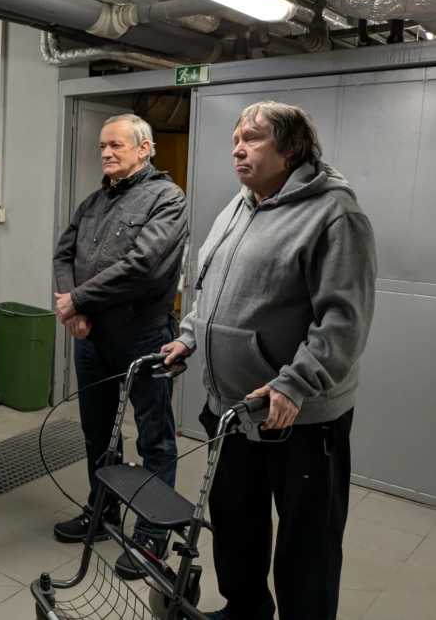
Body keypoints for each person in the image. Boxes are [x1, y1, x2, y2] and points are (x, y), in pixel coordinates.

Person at [161, 102, 376, 620]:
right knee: (236, 520)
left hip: (299, 418)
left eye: (253, 139)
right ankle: (246, 610)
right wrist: (189, 336)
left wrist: (295, 382)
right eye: (236, 139)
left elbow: (343, 321)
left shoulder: (335, 215)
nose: (238, 149)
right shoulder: (239, 206)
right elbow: (212, 287)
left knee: (307, 541)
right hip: (233, 410)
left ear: (291, 148)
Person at [52, 114, 187, 580]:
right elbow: (63, 253)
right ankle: (104, 506)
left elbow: (143, 266)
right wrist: (74, 308)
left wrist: (79, 299)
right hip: (92, 338)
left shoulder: (167, 199)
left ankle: (152, 532)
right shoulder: (93, 201)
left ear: (144, 148)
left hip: (144, 336)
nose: (106, 153)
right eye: (102, 146)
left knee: (155, 437)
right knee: (97, 431)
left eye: (116, 146)